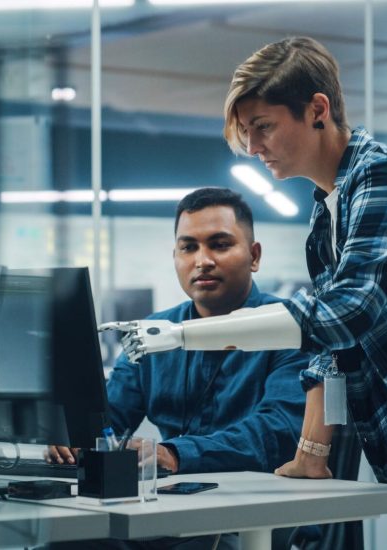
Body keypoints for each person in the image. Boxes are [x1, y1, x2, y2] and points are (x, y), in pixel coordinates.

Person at [112, 37, 387, 550]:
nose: (253, 148)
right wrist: (311, 453)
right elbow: (330, 349)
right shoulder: (327, 218)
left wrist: (184, 335)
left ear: (317, 110)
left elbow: (348, 312)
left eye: (263, 127)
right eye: (246, 133)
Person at [48, 187, 308, 550]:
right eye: (188, 247)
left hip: (245, 517)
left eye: (219, 244)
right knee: (68, 539)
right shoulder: (153, 333)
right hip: (161, 509)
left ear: (254, 256)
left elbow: (277, 431)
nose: (202, 260)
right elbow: (108, 416)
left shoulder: (289, 328)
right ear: (175, 257)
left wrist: (175, 453)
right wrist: (70, 434)